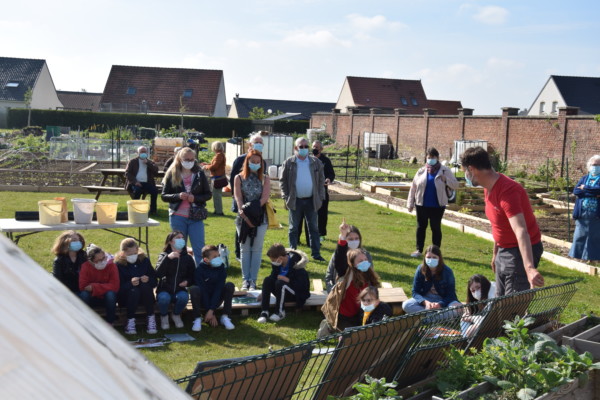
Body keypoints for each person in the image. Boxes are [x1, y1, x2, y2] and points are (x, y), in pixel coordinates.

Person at [460, 146, 544, 296]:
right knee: (500, 298)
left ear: (471, 169)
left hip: (521, 249)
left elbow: (521, 231)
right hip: (504, 250)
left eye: (465, 171)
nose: (465, 175)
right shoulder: (488, 187)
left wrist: (529, 268)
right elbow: (498, 225)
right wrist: (495, 254)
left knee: (512, 303)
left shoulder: (508, 191)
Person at [161, 147, 212, 265]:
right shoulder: (172, 172)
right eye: (186, 159)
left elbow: (208, 194)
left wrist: (195, 198)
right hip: (177, 215)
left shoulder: (199, 173)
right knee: (179, 248)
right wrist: (178, 196)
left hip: (195, 216)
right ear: (180, 159)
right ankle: (180, 277)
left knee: (199, 248)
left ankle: (199, 277)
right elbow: (164, 196)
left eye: (191, 159)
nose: (189, 162)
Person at [280, 137, 326, 261]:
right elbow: (283, 181)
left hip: (312, 200)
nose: (304, 149)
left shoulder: (316, 162)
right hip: (296, 200)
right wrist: (285, 196)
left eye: (306, 146)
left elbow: (322, 180)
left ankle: (316, 254)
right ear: (296, 148)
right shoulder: (289, 162)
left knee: (314, 228)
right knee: (293, 228)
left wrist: (321, 197)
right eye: (301, 146)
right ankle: (293, 253)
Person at [407, 147, 459, 257]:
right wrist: (410, 203)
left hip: (437, 206)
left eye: (433, 157)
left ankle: (436, 252)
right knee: (421, 227)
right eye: (429, 157)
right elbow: (413, 188)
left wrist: (446, 180)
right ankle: (418, 250)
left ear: (437, 158)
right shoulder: (421, 171)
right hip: (421, 204)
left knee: (435, 228)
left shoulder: (445, 170)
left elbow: (455, 185)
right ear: (426, 158)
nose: (431, 159)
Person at [320, 248, 381, 336]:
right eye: (360, 261)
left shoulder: (369, 276)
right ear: (352, 263)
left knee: (366, 334)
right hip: (342, 316)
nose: (364, 262)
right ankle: (329, 326)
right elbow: (339, 259)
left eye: (365, 259)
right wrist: (342, 241)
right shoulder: (347, 275)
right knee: (351, 338)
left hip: (358, 314)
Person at [234, 150, 270, 290]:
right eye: (252, 161)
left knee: (256, 249)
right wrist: (243, 212)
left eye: (258, 162)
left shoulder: (265, 178)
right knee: (244, 248)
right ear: (247, 162)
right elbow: (238, 197)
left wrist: (253, 209)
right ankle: (245, 280)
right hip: (242, 217)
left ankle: (253, 280)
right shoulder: (239, 177)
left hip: (260, 217)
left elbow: (264, 198)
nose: (255, 164)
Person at [230, 133, 267, 261]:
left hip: (257, 204)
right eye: (257, 142)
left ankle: (253, 252)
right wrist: (237, 200)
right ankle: (239, 253)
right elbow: (233, 180)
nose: (259, 144)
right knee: (241, 227)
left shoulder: (263, 161)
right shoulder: (240, 159)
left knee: (255, 225)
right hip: (242, 201)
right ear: (250, 144)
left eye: (261, 142)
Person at [257, 243, 311, 323]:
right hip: (281, 292)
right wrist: (264, 292)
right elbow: (273, 277)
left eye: (273, 260)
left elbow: (302, 287)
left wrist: (288, 280)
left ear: (280, 258)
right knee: (267, 280)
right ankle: (265, 311)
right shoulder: (277, 264)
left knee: (280, 283)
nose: (273, 262)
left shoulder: (298, 266)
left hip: (296, 294)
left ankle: (280, 312)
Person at [115, 238, 157, 335]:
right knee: (134, 290)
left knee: (145, 286)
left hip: (145, 297)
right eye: (129, 255)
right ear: (123, 253)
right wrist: (130, 283)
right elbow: (118, 288)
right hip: (127, 298)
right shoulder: (118, 265)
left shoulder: (145, 261)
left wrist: (148, 279)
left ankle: (151, 317)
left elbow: (155, 282)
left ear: (137, 250)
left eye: (134, 253)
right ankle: (130, 320)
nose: (132, 256)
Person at [402, 245, 462, 314]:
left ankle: (424, 317)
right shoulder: (420, 269)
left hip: (443, 299)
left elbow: (451, 294)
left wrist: (440, 304)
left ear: (439, 258)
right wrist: (425, 302)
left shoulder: (447, 271)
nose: (431, 259)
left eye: (434, 257)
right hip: (426, 298)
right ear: (424, 258)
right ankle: (435, 316)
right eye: (428, 257)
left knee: (458, 308)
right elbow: (415, 292)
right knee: (406, 305)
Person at [155, 231, 196, 330]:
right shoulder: (164, 255)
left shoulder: (188, 258)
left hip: (179, 289)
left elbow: (193, 276)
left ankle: (176, 314)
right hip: (164, 289)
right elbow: (158, 274)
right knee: (164, 298)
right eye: (178, 238)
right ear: (170, 242)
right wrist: (167, 259)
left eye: (182, 238)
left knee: (183, 297)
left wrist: (187, 282)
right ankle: (164, 316)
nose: (181, 240)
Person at [189, 245, 235, 331]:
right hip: (203, 300)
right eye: (214, 257)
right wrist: (210, 311)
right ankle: (197, 318)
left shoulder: (221, 268)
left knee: (229, 285)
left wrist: (212, 310)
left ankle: (225, 316)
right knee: (194, 289)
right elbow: (203, 291)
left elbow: (219, 289)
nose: (218, 258)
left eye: (218, 256)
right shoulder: (199, 270)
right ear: (206, 260)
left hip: (216, 299)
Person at [298, 140, 336, 245]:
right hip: (309, 191)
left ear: (321, 149)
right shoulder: (307, 159)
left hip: (322, 191)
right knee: (307, 215)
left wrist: (328, 179)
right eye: (314, 146)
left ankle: (321, 233)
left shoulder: (326, 161)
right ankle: (304, 236)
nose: (315, 149)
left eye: (317, 147)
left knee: (322, 213)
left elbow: (331, 174)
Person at [325, 218, 373, 292]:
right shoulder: (338, 255)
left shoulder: (365, 255)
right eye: (350, 239)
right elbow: (329, 277)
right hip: (341, 292)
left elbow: (371, 277)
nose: (354, 241)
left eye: (356, 238)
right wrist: (333, 292)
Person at [569, 155, 600, 261]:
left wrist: (585, 188)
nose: (595, 167)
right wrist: (592, 192)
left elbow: (598, 190)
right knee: (579, 235)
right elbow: (576, 191)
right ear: (589, 166)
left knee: (594, 237)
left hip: (596, 214)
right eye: (593, 164)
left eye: (597, 165)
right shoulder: (584, 178)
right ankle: (577, 257)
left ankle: (593, 259)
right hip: (582, 212)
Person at [79, 245, 119, 325]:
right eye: (98, 260)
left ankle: (110, 322)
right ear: (91, 261)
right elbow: (83, 286)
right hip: (92, 298)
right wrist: (104, 287)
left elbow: (115, 286)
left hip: (106, 297)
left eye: (103, 258)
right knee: (84, 295)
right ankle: (85, 322)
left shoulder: (111, 265)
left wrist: (94, 287)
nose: (102, 262)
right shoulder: (85, 266)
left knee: (110, 294)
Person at [125, 146, 159, 215]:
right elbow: (127, 173)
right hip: (135, 183)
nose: (143, 153)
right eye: (141, 152)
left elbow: (156, 171)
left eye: (145, 152)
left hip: (147, 183)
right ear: (138, 153)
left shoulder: (150, 162)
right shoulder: (132, 161)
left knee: (154, 191)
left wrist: (147, 163)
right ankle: (135, 210)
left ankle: (153, 210)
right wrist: (135, 182)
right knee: (137, 191)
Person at [202, 141, 227, 215]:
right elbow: (214, 165)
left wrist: (206, 167)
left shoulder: (219, 155)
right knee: (216, 195)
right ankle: (217, 210)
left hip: (218, 178)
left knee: (217, 195)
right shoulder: (220, 155)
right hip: (217, 177)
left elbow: (214, 167)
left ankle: (219, 211)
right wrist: (207, 164)